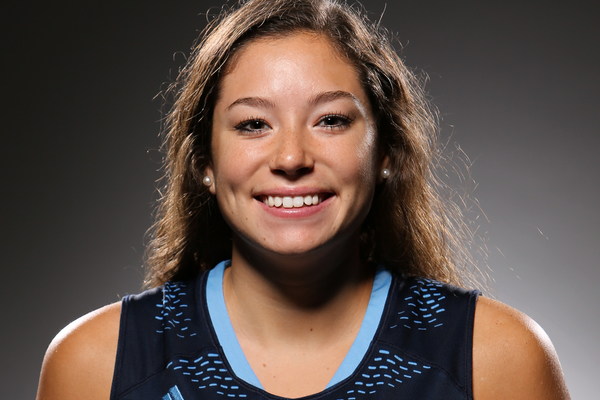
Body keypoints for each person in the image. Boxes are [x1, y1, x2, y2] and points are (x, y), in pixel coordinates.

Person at [36, 0, 571, 399]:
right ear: (204, 163)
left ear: (386, 151)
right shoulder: (95, 367)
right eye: (253, 124)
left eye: (330, 120)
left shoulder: (495, 361)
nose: (291, 157)